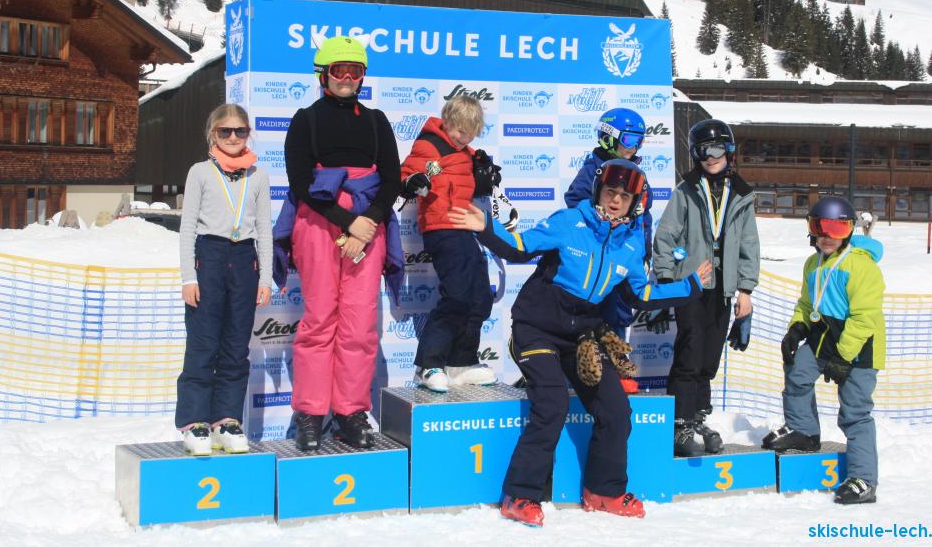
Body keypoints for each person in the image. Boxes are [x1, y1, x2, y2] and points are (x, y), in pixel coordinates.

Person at [449, 159, 710, 527]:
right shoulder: (570, 221)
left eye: (624, 196)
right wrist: (487, 228)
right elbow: (521, 246)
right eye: (610, 192)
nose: (615, 200)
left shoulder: (632, 242)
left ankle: (604, 492)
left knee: (616, 410)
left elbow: (640, 293)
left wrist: (690, 286)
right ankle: (519, 495)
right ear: (598, 192)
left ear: (634, 203)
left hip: (581, 338)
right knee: (552, 404)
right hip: (536, 329)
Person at [283, 36, 401, 451]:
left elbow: (392, 179)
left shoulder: (376, 121)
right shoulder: (305, 120)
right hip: (320, 222)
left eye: (355, 71)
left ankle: (350, 412)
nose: (347, 78)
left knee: (358, 325)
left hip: (369, 224)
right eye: (339, 70)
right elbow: (301, 182)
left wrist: (368, 222)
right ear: (323, 75)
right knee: (319, 321)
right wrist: (348, 223)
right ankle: (311, 414)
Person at [763, 196, 885, 505]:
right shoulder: (812, 264)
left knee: (854, 413)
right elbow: (807, 304)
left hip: (859, 350)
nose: (827, 236)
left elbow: (864, 319)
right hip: (822, 341)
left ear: (849, 231)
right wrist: (797, 329)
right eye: (820, 227)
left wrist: (843, 357)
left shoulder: (861, 266)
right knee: (797, 372)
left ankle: (864, 480)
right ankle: (804, 431)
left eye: (837, 229)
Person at [651, 119, 759, 457]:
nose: (710, 157)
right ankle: (679, 423)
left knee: (709, 355)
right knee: (690, 351)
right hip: (691, 284)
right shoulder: (686, 191)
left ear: (729, 150)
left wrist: (745, 290)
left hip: (723, 287)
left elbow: (749, 244)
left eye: (716, 149)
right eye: (702, 151)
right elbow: (665, 236)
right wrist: (666, 282)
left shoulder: (741, 194)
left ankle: (697, 417)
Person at [176, 104, 273, 456]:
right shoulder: (200, 172)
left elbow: (264, 229)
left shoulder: (258, 175)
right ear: (212, 134)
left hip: (245, 259)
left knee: (235, 346)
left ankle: (226, 419)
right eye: (225, 131)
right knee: (203, 343)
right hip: (210, 256)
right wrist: (189, 277)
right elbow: (187, 227)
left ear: (248, 134)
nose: (233, 137)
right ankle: (195, 421)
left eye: (240, 131)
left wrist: (265, 277)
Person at [400, 95, 498, 392]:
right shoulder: (429, 145)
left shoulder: (467, 153)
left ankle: (461, 363)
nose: (462, 138)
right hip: (441, 227)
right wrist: (413, 181)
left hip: (464, 228)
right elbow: (407, 174)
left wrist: (486, 173)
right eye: (459, 131)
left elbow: (470, 183)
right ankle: (428, 365)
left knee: (480, 296)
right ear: (447, 122)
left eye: (470, 134)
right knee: (457, 296)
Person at [564, 108, 652, 393]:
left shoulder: (637, 174)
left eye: (639, 141)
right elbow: (575, 199)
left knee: (620, 310)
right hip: (599, 255)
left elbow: (644, 217)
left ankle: (617, 368)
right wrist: (599, 218)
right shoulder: (594, 169)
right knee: (593, 313)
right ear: (608, 137)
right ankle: (583, 370)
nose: (634, 147)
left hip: (625, 254)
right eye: (628, 139)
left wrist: (645, 252)